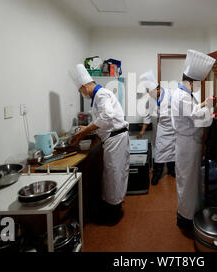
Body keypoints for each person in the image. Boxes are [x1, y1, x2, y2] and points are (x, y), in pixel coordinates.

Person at [69, 64, 130, 225]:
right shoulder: (98, 96)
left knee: (113, 175)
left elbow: (107, 116)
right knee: (114, 174)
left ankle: (113, 214)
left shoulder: (102, 94)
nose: (82, 94)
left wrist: (85, 131)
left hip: (115, 140)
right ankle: (113, 207)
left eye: (81, 91)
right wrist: (87, 129)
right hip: (115, 138)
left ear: (84, 86)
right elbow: (102, 121)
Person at [170, 49, 216, 230]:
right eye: (198, 83)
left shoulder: (183, 94)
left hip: (188, 144)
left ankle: (189, 213)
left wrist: (204, 102)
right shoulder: (182, 96)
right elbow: (199, 119)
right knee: (188, 183)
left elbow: (194, 109)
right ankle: (186, 218)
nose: (199, 86)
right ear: (191, 82)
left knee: (190, 181)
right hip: (188, 145)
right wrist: (210, 107)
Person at [138, 70, 176, 185]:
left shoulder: (171, 94)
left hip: (173, 129)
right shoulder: (151, 100)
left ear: (158, 89)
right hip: (161, 128)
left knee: (173, 151)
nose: (150, 94)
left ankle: (171, 170)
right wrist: (142, 131)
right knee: (159, 152)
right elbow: (147, 116)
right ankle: (157, 174)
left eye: (151, 92)